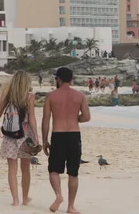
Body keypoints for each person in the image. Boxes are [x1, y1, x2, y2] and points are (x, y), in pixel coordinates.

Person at [42, 67, 90, 213]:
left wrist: (44, 140)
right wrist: (75, 118)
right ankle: (71, 206)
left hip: (58, 134)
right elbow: (87, 117)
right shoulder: (80, 96)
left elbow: (46, 120)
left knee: (54, 170)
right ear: (71, 79)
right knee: (73, 172)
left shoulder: (51, 96)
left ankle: (58, 195)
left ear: (59, 79)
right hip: (74, 135)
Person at [0, 70, 40, 207]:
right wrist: (36, 135)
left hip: (9, 135)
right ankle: (25, 198)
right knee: (25, 168)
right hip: (25, 134)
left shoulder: (7, 96)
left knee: (11, 168)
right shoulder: (30, 97)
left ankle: (15, 200)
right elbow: (31, 117)